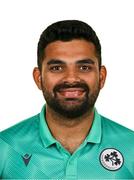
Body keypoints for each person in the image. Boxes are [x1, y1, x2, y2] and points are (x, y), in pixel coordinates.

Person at [0, 20, 134, 179]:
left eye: (84, 67)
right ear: (38, 78)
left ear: (101, 77)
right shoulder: (5, 147)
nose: (71, 78)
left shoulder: (131, 147)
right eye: (57, 68)